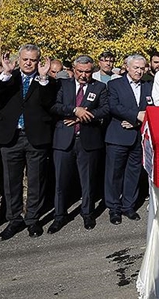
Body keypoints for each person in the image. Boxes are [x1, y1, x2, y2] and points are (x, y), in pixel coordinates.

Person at [0, 44, 55, 241]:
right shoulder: (9, 78)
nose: (28, 63)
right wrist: (6, 74)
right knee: (11, 182)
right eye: (25, 59)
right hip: (11, 137)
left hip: (35, 137)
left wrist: (43, 78)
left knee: (35, 181)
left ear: (38, 61)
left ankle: (32, 219)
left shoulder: (47, 81)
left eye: (33, 60)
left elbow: (48, 103)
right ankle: (14, 219)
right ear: (19, 60)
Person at [49, 55, 110, 234]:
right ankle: (59, 216)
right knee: (61, 181)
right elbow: (55, 106)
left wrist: (81, 117)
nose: (84, 75)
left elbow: (105, 109)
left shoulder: (100, 87)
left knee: (88, 181)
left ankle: (88, 213)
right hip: (64, 140)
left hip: (88, 141)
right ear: (74, 70)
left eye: (87, 72)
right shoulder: (63, 85)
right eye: (80, 71)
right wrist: (74, 109)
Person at [105, 55, 153, 224]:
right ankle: (114, 208)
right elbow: (113, 106)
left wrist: (134, 121)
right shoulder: (114, 84)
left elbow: (152, 108)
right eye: (136, 68)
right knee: (114, 174)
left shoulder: (149, 86)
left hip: (137, 136)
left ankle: (128, 206)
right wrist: (135, 115)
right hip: (118, 136)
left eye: (142, 68)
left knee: (133, 173)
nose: (139, 71)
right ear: (127, 67)